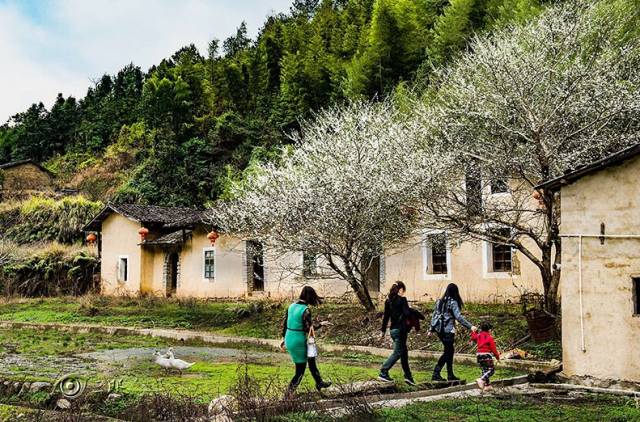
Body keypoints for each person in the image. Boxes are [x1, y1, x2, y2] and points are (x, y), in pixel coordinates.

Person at [280, 286, 332, 393]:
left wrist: (283, 339)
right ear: (310, 297)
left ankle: (319, 382)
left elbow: (285, 324)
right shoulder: (305, 310)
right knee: (300, 371)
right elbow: (308, 329)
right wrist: (321, 324)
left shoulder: (291, 306)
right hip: (298, 340)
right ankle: (287, 395)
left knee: (311, 358)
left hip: (289, 338)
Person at [429, 283, 477, 381]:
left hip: (439, 330)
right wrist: (470, 326)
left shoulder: (439, 301)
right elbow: (458, 317)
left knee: (449, 352)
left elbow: (434, 315)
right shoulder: (453, 302)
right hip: (448, 330)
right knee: (448, 352)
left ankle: (450, 375)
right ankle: (436, 373)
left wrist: (431, 329)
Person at [378, 281, 415, 385]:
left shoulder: (388, 301)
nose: (403, 293)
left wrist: (383, 331)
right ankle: (383, 371)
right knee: (398, 352)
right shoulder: (402, 300)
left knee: (404, 353)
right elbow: (407, 313)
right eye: (403, 291)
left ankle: (408, 377)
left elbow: (385, 318)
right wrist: (411, 309)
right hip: (400, 330)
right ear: (401, 290)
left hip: (393, 331)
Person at [471, 321, 500, 391]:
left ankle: (487, 385)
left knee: (485, 370)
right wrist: (497, 357)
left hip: (479, 355)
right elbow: (493, 349)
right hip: (486, 355)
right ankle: (481, 379)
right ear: (489, 329)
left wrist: (473, 331)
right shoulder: (489, 337)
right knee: (491, 370)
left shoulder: (478, 335)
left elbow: (473, 337)